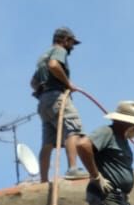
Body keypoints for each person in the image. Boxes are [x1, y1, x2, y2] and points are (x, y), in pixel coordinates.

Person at [30, 26, 89, 182]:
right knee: (72, 129)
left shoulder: (42, 57)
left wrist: (43, 91)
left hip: (44, 102)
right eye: (71, 42)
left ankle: (43, 180)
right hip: (57, 97)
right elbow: (54, 65)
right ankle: (73, 169)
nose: (72, 47)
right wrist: (67, 83)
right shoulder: (58, 50)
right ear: (65, 40)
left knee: (48, 142)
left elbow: (33, 83)